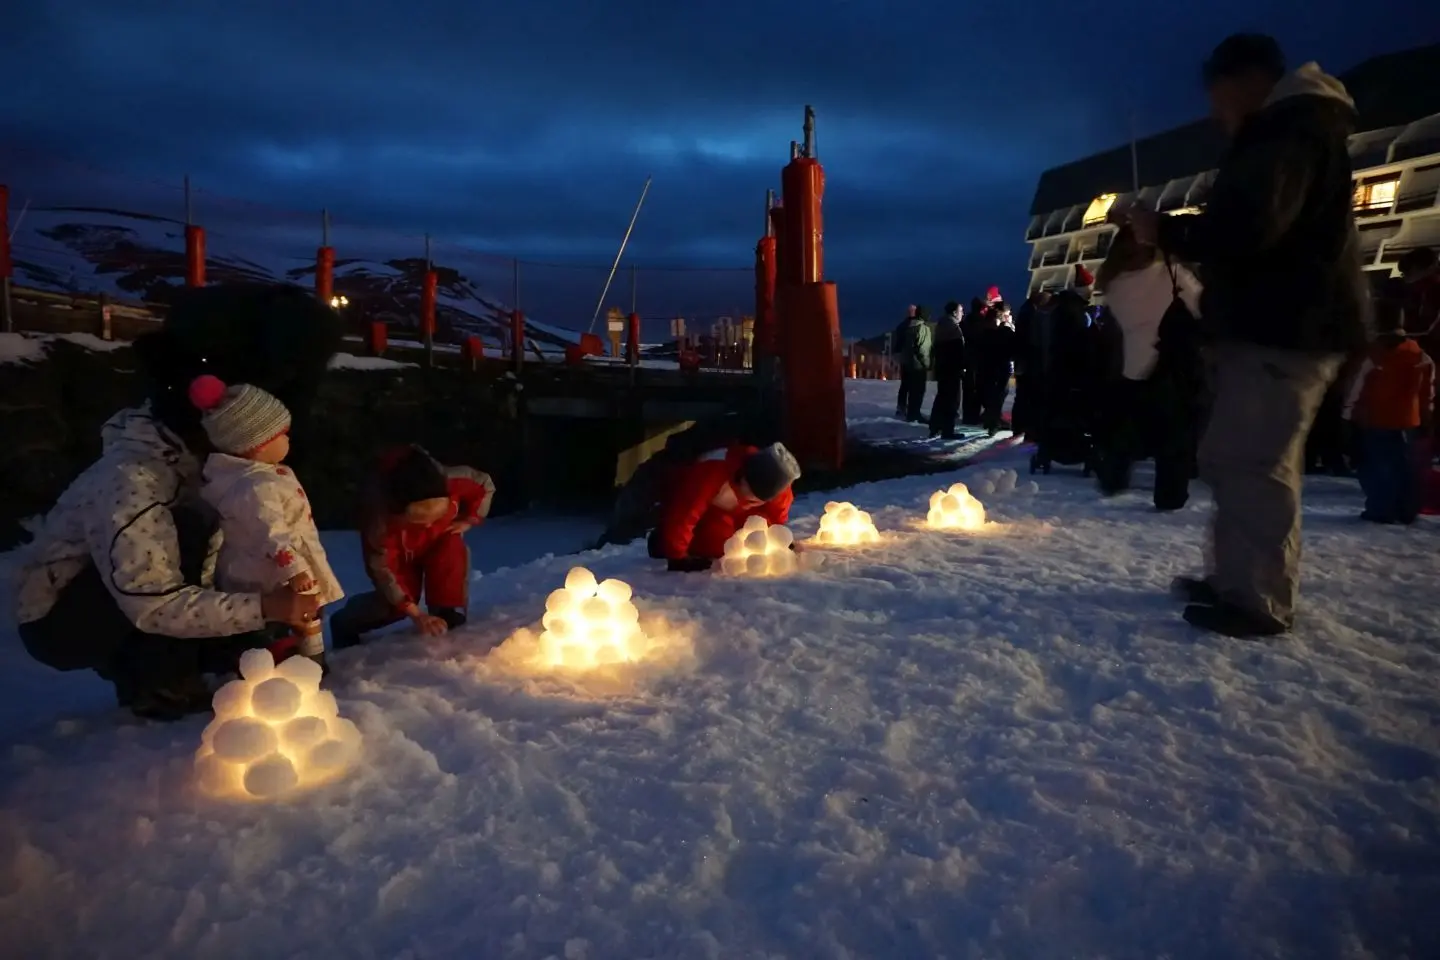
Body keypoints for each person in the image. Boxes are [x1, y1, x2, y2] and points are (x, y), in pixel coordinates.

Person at [1121, 34, 1371, 637]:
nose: (1214, 112)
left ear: (1244, 81)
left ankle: (1256, 597)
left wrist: (1166, 231)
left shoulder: (1287, 132)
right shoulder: (1297, 128)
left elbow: (1247, 227)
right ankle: (1238, 579)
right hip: (1281, 327)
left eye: (1216, 95)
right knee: (1237, 459)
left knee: (1254, 462)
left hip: (1282, 330)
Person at [14, 283, 341, 720]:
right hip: (62, 616)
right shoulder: (135, 477)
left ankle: (217, 653)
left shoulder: (229, 462)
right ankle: (155, 678)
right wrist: (268, 607)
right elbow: (152, 598)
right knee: (190, 530)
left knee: (242, 522)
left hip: (169, 583)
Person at [191, 376, 345, 671]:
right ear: (257, 445)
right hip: (269, 570)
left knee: (301, 613)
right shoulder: (255, 487)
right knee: (291, 613)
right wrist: (294, 568)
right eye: (283, 434)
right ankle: (301, 662)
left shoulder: (261, 476)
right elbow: (270, 530)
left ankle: (303, 658)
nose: (289, 440)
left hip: (274, 563)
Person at [329, 445, 495, 648]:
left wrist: (470, 519)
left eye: (436, 517)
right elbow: (384, 572)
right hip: (400, 555)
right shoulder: (379, 523)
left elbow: (484, 484)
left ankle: (447, 611)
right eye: (419, 521)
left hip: (438, 541)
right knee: (395, 603)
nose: (428, 525)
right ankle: (346, 622)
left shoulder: (451, 480)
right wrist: (415, 613)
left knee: (451, 551)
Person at [1093, 224, 1204, 510]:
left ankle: (1114, 474)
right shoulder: (1169, 272)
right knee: (1174, 436)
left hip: (1132, 363)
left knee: (1134, 428)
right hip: (1166, 361)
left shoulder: (1112, 281)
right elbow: (1201, 305)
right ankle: (1170, 496)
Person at [649, 441, 801, 571]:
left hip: (735, 513)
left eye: (755, 500)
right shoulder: (711, 474)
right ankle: (664, 539)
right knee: (718, 539)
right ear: (741, 475)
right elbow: (685, 513)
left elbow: (777, 517)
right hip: (703, 512)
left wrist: (777, 539)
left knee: (759, 525)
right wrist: (677, 556)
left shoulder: (779, 489)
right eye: (746, 491)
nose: (747, 499)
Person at [1341, 316, 1435, 524]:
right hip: (1410, 421)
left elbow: (1354, 390)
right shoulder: (1421, 356)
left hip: (1375, 421)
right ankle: (1406, 511)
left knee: (1377, 468)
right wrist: (1426, 419)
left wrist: (1346, 419)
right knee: (1406, 468)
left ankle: (1381, 511)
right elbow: (1427, 393)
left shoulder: (1373, 356)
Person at [974, 301, 1018, 435]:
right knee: (998, 395)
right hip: (1000, 366)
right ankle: (993, 422)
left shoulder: (984, 329)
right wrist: (1009, 326)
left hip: (989, 366)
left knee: (993, 394)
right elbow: (1011, 345)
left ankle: (991, 420)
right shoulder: (1002, 329)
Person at [928, 301, 966, 439]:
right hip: (952, 369)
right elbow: (957, 351)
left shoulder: (942, 325)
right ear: (954, 312)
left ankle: (935, 426)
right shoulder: (953, 328)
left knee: (942, 396)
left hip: (943, 368)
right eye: (961, 311)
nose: (963, 313)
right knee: (952, 399)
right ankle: (947, 430)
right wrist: (962, 366)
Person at [895, 305, 933, 423]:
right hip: (918, 366)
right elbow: (924, 349)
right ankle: (914, 413)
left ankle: (906, 411)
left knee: (907, 387)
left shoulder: (907, 326)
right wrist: (927, 364)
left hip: (907, 362)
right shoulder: (922, 328)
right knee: (918, 390)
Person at [960, 297, 989, 425]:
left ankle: (968, 416)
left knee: (968, 391)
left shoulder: (966, 321)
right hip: (979, 361)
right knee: (976, 390)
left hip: (968, 360)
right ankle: (974, 416)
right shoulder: (982, 322)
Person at [892, 305, 919, 419]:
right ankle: (911, 409)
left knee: (904, 384)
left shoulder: (901, 326)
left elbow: (898, 344)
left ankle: (901, 406)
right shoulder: (915, 326)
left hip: (904, 358)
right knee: (913, 385)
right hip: (912, 358)